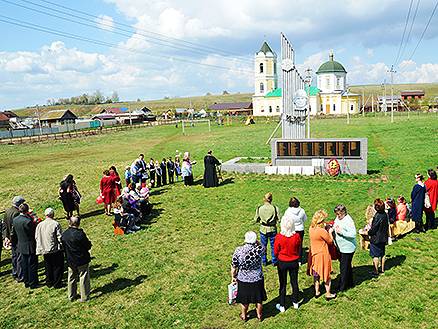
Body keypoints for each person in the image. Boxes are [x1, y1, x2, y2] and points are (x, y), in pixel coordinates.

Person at [231, 231, 267, 322]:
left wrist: (233, 276)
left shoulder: (238, 250)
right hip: (257, 278)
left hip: (243, 279)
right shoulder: (259, 249)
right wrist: (257, 242)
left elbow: (234, 266)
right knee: (258, 299)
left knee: (244, 299)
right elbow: (264, 248)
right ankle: (259, 315)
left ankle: (244, 315)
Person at [273, 216, 301, 312]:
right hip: (293, 261)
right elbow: (298, 248)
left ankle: (282, 305)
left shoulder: (279, 237)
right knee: (294, 282)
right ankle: (295, 302)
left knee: (283, 283)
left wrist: (278, 257)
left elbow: (276, 251)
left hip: (282, 262)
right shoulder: (296, 236)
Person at [61, 216, 92, 302]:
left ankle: (71, 295)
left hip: (70, 259)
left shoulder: (65, 234)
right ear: (78, 223)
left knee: (71, 277)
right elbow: (87, 245)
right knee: (83, 277)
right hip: (81, 259)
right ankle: (84, 297)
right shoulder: (80, 234)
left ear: (69, 223)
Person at [308, 210, 336, 300]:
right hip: (322, 254)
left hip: (313, 254)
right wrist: (330, 232)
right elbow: (330, 241)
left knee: (316, 275)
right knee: (326, 274)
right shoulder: (321, 231)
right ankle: (328, 293)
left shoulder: (311, 228)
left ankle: (317, 291)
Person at [11, 203, 39, 289]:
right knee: (32, 265)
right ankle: (33, 282)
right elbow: (33, 233)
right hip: (30, 245)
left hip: (21, 245)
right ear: (27, 211)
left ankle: (26, 281)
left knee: (24, 265)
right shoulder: (28, 222)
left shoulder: (15, 220)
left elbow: (14, 234)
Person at [35, 208, 64, 288]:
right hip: (54, 249)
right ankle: (57, 283)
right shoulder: (55, 224)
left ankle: (49, 282)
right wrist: (62, 246)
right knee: (57, 266)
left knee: (48, 266)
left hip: (44, 249)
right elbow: (59, 237)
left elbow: (36, 237)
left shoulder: (40, 225)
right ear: (53, 215)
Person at [333, 204, 357, 292]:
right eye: (336, 214)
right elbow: (336, 224)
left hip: (348, 248)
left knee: (343, 268)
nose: (337, 216)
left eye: (339, 214)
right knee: (347, 266)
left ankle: (342, 287)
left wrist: (342, 232)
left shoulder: (348, 221)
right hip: (341, 247)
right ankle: (350, 283)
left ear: (343, 212)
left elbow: (353, 234)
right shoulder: (338, 218)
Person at [2, 196, 25, 281]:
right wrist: (11, 238)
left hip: (10, 237)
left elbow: (4, 226)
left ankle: (15, 272)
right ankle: (20, 275)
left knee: (14, 256)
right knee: (19, 257)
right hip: (16, 238)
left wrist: (5, 237)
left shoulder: (7, 211)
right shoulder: (17, 213)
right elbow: (13, 228)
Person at [254, 192, 280, 266]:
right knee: (273, 246)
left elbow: (255, 219)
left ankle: (264, 261)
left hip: (263, 229)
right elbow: (279, 219)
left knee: (263, 246)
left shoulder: (260, 208)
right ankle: (274, 261)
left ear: (264, 199)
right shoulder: (275, 208)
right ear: (271, 199)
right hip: (272, 229)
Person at [281, 197, 307, 264]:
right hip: (300, 229)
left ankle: (292, 257)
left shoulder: (288, 211)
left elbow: (285, 220)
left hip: (292, 229)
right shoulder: (302, 211)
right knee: (300, 244)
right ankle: (299, 260)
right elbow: (305, 219)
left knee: (291, 244)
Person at [368, 199, 389, 276]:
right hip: (383, 237)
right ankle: (382, 269)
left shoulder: (377, 216)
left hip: (376, 239)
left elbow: (374, 229)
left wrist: (368, 232)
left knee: (375, 255)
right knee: (382, 253)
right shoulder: (385, 214)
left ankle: (376, 271)